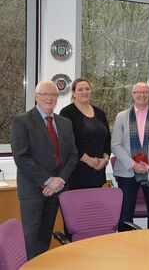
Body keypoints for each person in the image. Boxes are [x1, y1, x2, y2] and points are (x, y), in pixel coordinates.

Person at [10, 80, 78, 259]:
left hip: (56, 190)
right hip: (32, 190)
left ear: (57, 98)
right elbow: (21, 157)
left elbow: (72, 156)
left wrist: (59, 181)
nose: (49, 98)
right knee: (30, 238)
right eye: (45, 94)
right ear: (36, 97)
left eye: (53, 95)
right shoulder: (22, 120)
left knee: (44, 237)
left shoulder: (65, 123)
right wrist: (48, 180)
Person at [111, 82, 149, 231]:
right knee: (125, 214)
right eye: (138, 92)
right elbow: (115, 145)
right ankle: (126, 249)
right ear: (133, 94)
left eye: (145, 92)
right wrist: (133, 164)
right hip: (127, 172)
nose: (142, 95)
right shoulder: (121, 117)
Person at [60, 78, 111, 190]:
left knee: (96, 206)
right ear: (73, 93)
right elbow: (68, 142)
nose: (85, 92)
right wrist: (88, 160)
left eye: (87, 89)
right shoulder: (66, 113)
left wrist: (105, 159)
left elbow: (107, 139)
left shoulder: (100, 113)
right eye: (80, 89)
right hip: (76, 172)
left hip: (98, 171)